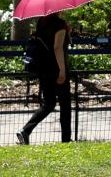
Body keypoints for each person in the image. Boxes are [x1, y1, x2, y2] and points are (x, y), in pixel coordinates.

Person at [16, 11, 71, 145]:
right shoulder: (60, 24)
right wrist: (62, 71)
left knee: (48, 104)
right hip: (57, 70)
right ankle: (66, 140)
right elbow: (57, 48)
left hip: (44, 69)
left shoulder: (42, 22)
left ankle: (26, 130)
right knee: (65, 106)